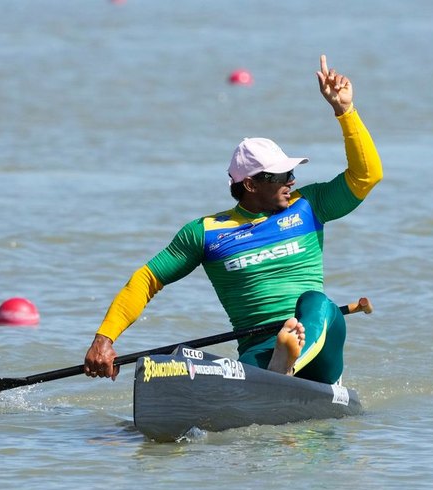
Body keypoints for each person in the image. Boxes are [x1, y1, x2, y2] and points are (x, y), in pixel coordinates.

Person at [84, 54, 382, 384]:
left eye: (291, 173)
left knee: (317, 303)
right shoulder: (206, 233)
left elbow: (366, 176)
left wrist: (345, 111)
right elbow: (147, 279)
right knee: (224, 361)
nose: (291, 181)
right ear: (250, 184)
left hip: (319, 343)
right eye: (281, 176)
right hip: (259, 349)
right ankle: (274, 368)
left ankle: (286, 365)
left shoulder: (310, 205)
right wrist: (104, 339)